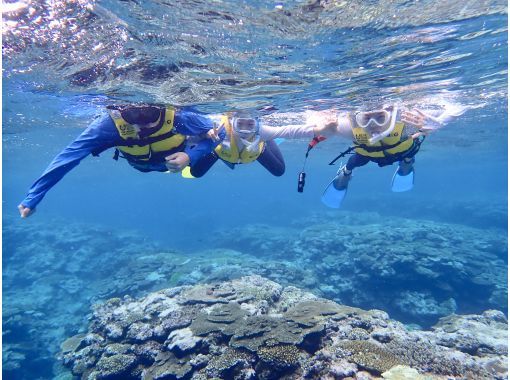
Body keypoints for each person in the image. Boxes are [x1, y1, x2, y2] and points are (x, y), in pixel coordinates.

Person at [18, 104, 223, 218]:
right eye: (133, 113)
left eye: (150, 112)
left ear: (163, 107)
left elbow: (219, 133)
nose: (143, 120)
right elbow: (69, 156)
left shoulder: (180, 116)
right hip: (141, 165)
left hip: (176, 158)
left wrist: (190, 156)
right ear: (119, 110)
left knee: (206, 134)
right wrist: (33, 196)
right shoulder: (107, 125)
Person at [318, 103, 463, 208]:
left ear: (391, 116)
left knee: (409, 156)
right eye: (366, 118)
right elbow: (311, 127)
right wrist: (321, 127)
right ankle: (345, 174)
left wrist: (439, 123)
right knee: (353, 162)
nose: (373, 124)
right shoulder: (350, 128)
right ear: (359, 118)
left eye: (381, 117)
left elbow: (460, 105)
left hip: (402, 150)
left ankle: (406, 164)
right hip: (367, 153)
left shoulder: (407, 123)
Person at [190, 111, 331, 178]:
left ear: (256, 124)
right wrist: (204, 135)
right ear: (232, 122)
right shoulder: (219, 129)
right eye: (240, 124)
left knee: (279, 171)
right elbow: (189, 135)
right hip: (220, 153)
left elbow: (289, 131)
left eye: (250, 125)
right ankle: (213, 152)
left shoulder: (262, 131)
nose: (245, 130)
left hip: (255, 151)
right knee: (195, 173)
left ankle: (267, 141)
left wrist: (317, 130)